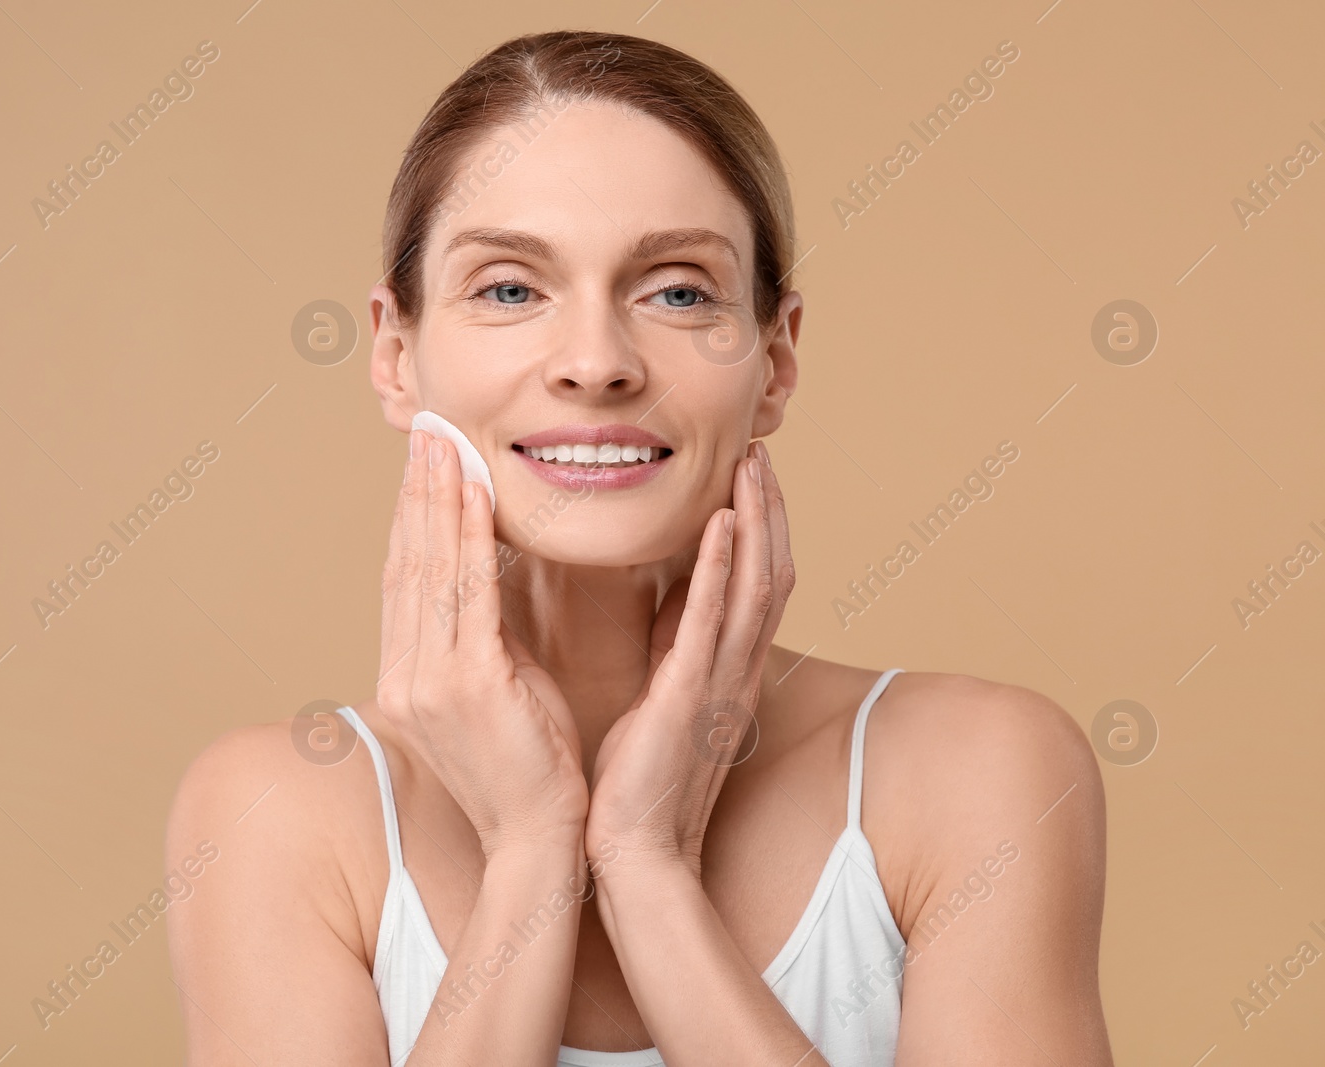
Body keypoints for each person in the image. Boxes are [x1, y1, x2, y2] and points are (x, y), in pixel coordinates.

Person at [167, 29, 1111, 1067]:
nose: (596, 362)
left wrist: (646, 863)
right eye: (510, 288)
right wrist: (531, 856)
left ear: (776, 357)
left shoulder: (974, 767)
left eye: (675, 290)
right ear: (395, 355)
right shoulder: (276, 810)